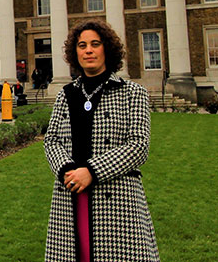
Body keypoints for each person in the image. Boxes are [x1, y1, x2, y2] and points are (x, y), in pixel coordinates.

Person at [43, 19, 159, 261]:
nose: (88, 50)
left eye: (95, 44)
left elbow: (138, 146)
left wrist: (92, 171)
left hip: (117, 199)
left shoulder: (132, 93)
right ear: (75, 53)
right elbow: (51, 139)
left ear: (106, 48)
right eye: (82, 45)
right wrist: (67, 169)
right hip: (71, 194)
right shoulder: (66, 94)